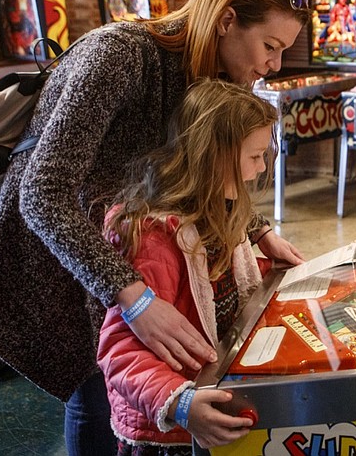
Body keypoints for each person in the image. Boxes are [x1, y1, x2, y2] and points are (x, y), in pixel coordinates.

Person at [0, 0, 308, 456]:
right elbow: (41, 193)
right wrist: (134, 296)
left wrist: (257, 230)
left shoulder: (206, 71)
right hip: (59, 251)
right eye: (270, 46)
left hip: (120, 242)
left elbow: (196, 163)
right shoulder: (120, 55)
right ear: (227, 20)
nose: (273, 64)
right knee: (97, 395)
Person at [98, 78, 275, 454]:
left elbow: (215, 292)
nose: (260, 169)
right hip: (169, 431)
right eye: (255, 156)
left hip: (204, 408)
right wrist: (178, 403)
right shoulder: (155, 239)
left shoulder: (217, 216)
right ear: (215, 156)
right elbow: (119, 350)